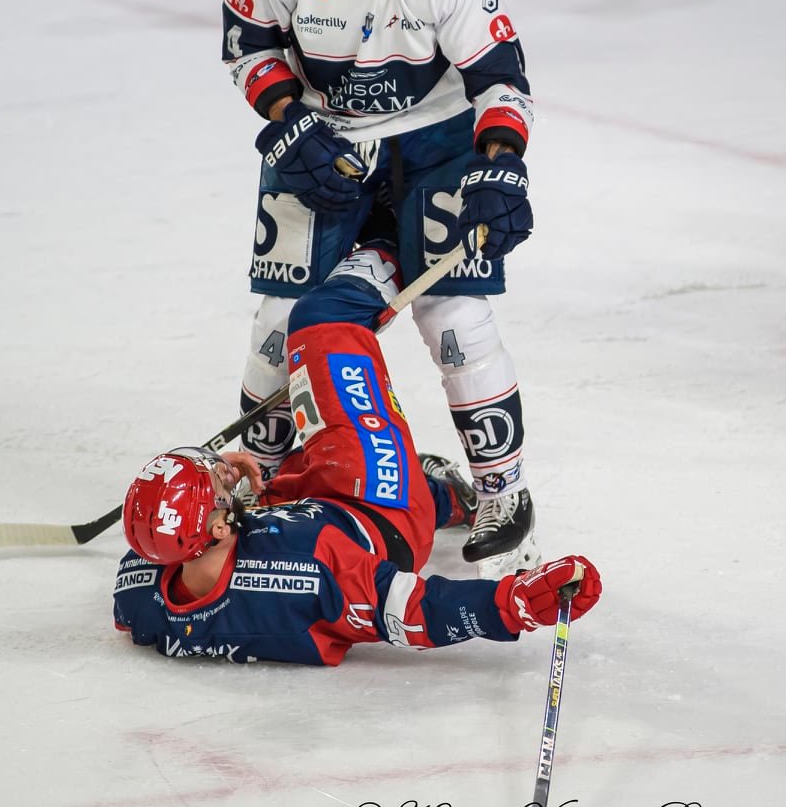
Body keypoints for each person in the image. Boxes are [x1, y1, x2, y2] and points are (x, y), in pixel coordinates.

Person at [223, 0, 543, 575]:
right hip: (319, 140)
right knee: (280, 321)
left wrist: (501, 162)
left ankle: (503, 488)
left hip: (434, 147)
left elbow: (501, 77)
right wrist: (287, 119)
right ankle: (256, 480)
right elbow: (246, 40)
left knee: (454, 312)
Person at [113, 252, 601, 666]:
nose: (222, 472)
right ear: (217, 529)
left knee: (291, 459)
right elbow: (414, 611)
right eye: (216, 486)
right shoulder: (313, 566)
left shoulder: (139, 593)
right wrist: (515, 604)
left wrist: (239, 498)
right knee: (321, 319)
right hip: (379, 506)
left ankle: (439, 490)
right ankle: (404, 233)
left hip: (313, 513)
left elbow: (183, 552)